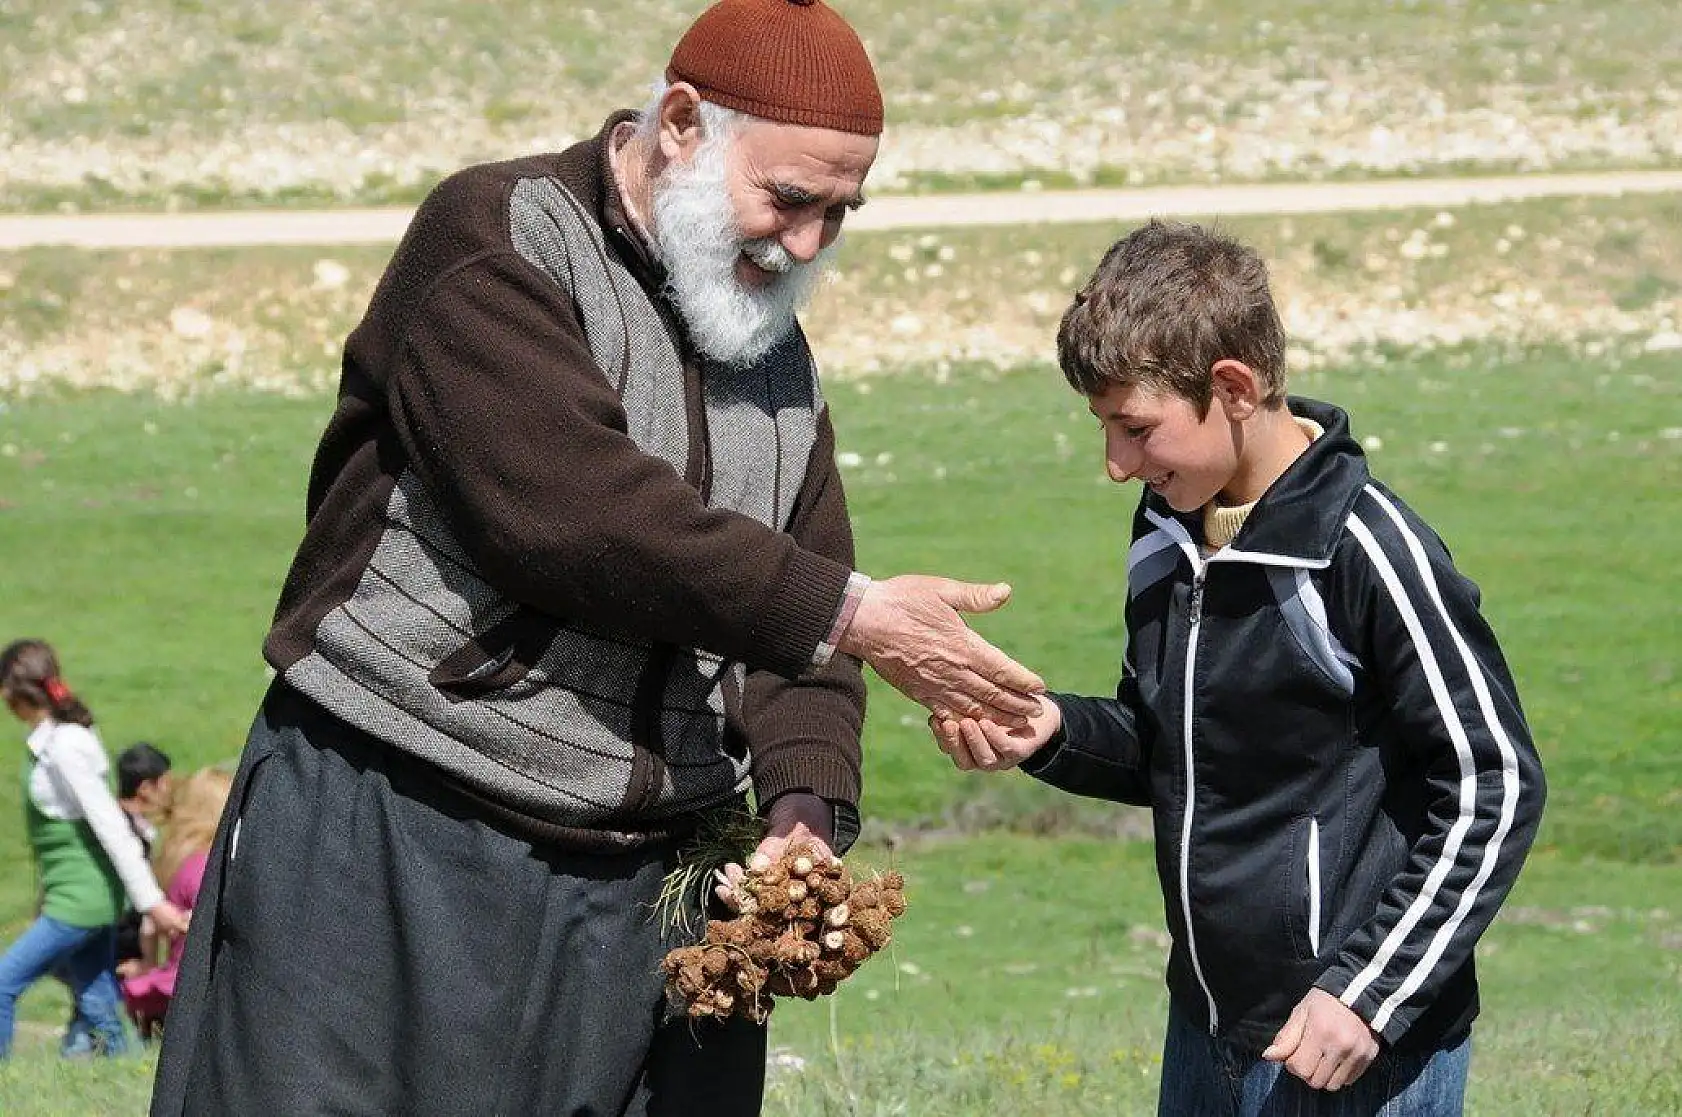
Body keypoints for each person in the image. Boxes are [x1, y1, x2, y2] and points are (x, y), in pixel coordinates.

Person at [152, 2, 1041, 1113]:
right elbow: (570, 515)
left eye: (839, 213)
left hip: (635, 885)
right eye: (789, 198)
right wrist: (853, 613)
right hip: (396, 828)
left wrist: (804, 809)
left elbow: (797, 621)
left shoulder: (769, 349)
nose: (806, 244)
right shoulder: (497, 236)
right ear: (679, 124)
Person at [933, 221, 1547, 1116]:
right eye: (1104, 429)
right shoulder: (1165, 533)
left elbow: (1494, 785)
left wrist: (1367, 995)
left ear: (1233, 387)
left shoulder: (1367, 551)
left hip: (1347, 1043)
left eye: (1135, 428)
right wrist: (1051, 732)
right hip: (1208, 1025)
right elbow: (1173, 745)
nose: (1115, 465)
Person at [0, 639, 191, 1060]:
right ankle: (121, 1064)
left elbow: (110, 826)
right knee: (97, 992)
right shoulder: (58, 741)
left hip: (80, 902)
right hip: (85, 896)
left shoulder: (64, 747)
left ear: (12, 692)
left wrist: (152, 903)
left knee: (3, 984)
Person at [119, 767, 233, 1043]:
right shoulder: (207, 867)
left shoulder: (181, 860)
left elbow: (150, 927)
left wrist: (148, 962)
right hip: (194, 989)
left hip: (169, 984)